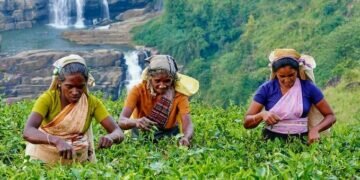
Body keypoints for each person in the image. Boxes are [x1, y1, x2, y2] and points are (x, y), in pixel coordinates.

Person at [23, 54, 124, 164]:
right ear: (59, 83)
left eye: (80, 86)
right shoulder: (48, 99)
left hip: (78, 165)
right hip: (41, 162)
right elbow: (28, 131)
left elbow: (117, 131)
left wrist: (111, 137)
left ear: (85, 84)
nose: (75, 92)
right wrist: (57, 141)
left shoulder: (92, 103)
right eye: (69, 86)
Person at [244, 49, 336, 144]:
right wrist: (262, 115)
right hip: (271, 142)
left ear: (298, 71)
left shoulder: (308, 88)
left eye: (291, 75)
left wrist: (315, 130)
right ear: (275, 73)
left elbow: (330, 116)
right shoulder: (266, 89)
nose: (287, 80)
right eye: (282, 76)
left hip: (302, 141)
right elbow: (247, 122)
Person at [118, 55, 198, 147]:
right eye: (157, 81)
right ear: (150, 78)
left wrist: (186, 137)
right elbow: (121, 121)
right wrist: (136, 122)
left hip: (169, 135)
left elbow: (187, 123)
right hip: (141, 135)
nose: (162, 85)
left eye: (167, 81)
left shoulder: (179, 95)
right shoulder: (138, 90)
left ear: (173, 80)